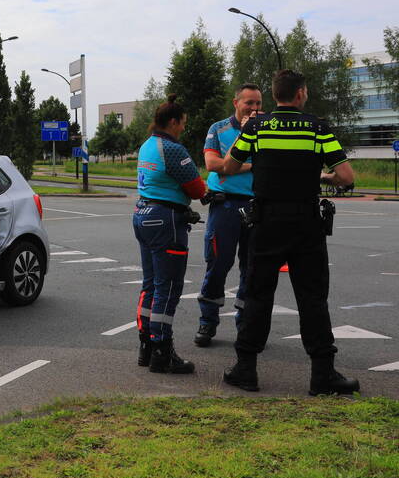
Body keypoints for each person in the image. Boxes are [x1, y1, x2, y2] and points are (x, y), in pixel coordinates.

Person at [222, 69, 359, 395]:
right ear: (300, 94)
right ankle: (322, 374)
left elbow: (228, 167)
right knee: (313, 298)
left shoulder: (256, 126)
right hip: (306, 224)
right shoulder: (317, 127)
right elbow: (346, 176)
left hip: (266, 222)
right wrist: (321, 178)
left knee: (257, 294)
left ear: (275, 95)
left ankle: (246, 369)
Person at [133, 94, 207, 374]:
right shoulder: (173, 149)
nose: (184, 128)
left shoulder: (147, 145)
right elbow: (198, 190)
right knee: (169, 286)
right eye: (183, 123)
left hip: (143, 214)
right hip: (166, 221)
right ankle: (163, 350)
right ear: (173, 121)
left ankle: (146, 347)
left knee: (150, 284)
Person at [194, 83, 262, 347]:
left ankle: (245, 325)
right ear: (236, 103)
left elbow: (229, 167)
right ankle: (207, 322)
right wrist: (249, 161)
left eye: (258, 103)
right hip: (225, 207)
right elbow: (214, 165)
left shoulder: (266, 129)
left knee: (252, 269)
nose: (255, 108)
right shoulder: (218, 129)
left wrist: (232, 167)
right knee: (218, 265)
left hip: (256, 207)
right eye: (249, 103)